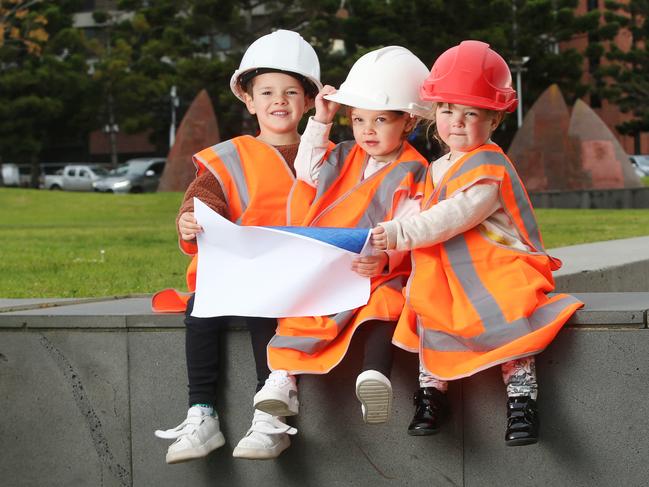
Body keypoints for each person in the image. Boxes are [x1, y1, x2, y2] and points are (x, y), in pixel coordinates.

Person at [369, 40, 583, 445]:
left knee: (510, 319)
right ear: (435, 114)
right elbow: (421, 212)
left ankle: (521, 401)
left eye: (472, 113)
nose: (458, 122)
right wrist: (392, 237)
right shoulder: (437, 167)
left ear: (495, 119)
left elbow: (454, 215)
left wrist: (401, 232)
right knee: (427, 311)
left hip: (498, 266)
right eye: (447, 110)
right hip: (450, 270)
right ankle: (431, 392)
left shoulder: (488, 165)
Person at [153, 29, 322, 463]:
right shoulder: (226, 157)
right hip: (238, 272)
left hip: (300, 274)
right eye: (266, 91)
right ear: (248, 99)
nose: (278, 101)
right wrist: (190, 221)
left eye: (290, 92)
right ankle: (201, 414)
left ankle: (270, 420)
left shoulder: (328, 155)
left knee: (264, 309)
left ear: (308, 101)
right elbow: (202, 197)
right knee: (200, 307)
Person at [253, 46, 432, 426]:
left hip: (376, 268)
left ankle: (374, 375)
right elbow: (306, 169)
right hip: (328, 262)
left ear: (408, 123)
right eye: (358, 120)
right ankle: (281, 380)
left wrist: (384, 259)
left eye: (381, 119)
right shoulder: (344, 154)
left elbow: (411, 223)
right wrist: (321, 120)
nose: (367, 130)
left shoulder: (414, 170)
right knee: (300, 312)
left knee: (384, 306)